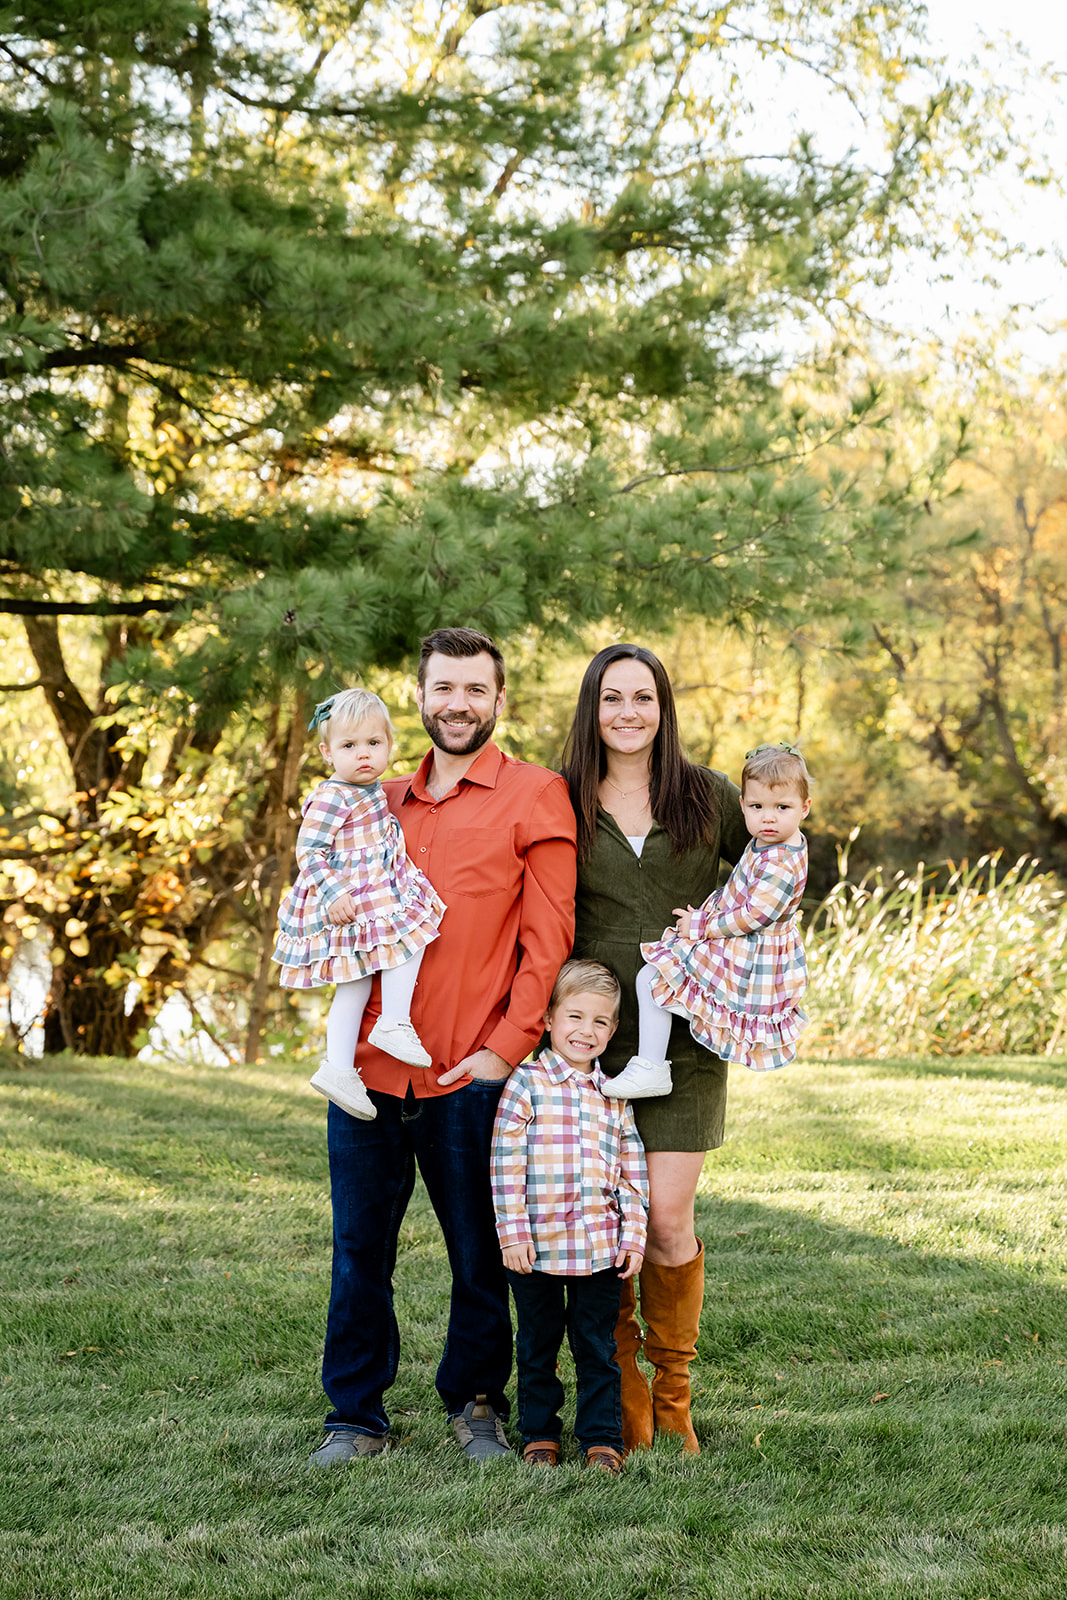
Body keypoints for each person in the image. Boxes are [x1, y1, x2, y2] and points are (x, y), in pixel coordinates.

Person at [310, 627, 577, 1467]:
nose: (457, 704)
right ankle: (354, 1416)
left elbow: (549, 939)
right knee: (359, 1253)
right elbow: (326, 900)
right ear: (419, 697)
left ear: (500, 701)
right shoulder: (371, 796)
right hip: (368, 1073)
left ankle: (476, 1405)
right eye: (442, 689)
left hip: (469, 1071)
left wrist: (506, 1046)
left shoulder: (537, 795)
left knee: (477, 1255)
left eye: (474, 690)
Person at [560, 642, 751, 1456]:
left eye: (643, 698)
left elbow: (772, 879)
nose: (628, 713)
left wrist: (729, 952)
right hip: (594, 1041)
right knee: (607, 1225)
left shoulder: (707, 796)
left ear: (663, 708)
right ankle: (624, 1393)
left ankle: (673, 1397)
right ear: (591, 709)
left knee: (668, 1219)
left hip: (686, 1040)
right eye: (612, 698)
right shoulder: (561, 798)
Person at [491, 959, 647, 1474]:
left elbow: (631, 1169)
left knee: (597, 1346)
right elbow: (505, 1164)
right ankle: (540, 1433)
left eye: (600, 1022)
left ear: (614, 1029)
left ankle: (601, 1437)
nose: (586, 1031)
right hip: (536, 1245)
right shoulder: (526, 1084)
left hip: (599, 1246)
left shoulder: (614, 1094)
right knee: (537, 1344)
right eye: (575, 1017)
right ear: (550, 1020)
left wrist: (634, 1234)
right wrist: (512, 1235)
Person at [273, 688, 446, 1122]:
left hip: (372, 889)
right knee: (405, 940)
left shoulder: (370, 788)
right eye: (349, 746)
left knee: (366, 975)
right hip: (350, 898)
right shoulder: (332, 795)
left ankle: (347, 1060)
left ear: (390, 745)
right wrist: (334, 895)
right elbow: (309, 852)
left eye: (374, 743)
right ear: (327, 752)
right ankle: (382, 1030)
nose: (363, 754)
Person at [604, 742, 811, 1098]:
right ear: (742, 805)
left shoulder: (780, 861)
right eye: (757, 807)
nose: (769, 817)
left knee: (654, 976)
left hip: (748, 951)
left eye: (783, 807)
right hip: (736, 940)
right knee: (658, 978)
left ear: (805, 808)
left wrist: (701, 926)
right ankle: (653, 1062)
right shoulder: (771, 842)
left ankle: (652, 1065)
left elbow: (754, 916)